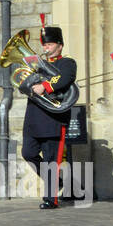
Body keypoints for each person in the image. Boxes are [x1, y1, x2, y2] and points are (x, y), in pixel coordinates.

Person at [19, 16, 77, 208]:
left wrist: (45, 86)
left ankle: (50, 199)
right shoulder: (37, 64)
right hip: (34, 117)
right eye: (45, 45)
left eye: (50, 44)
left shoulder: (67, 63)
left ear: (59, 45)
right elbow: (23, 85)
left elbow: (65, 78)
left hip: (53, 118)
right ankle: (58, 182)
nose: (46, 48)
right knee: (28, 153)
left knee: (53, 159)